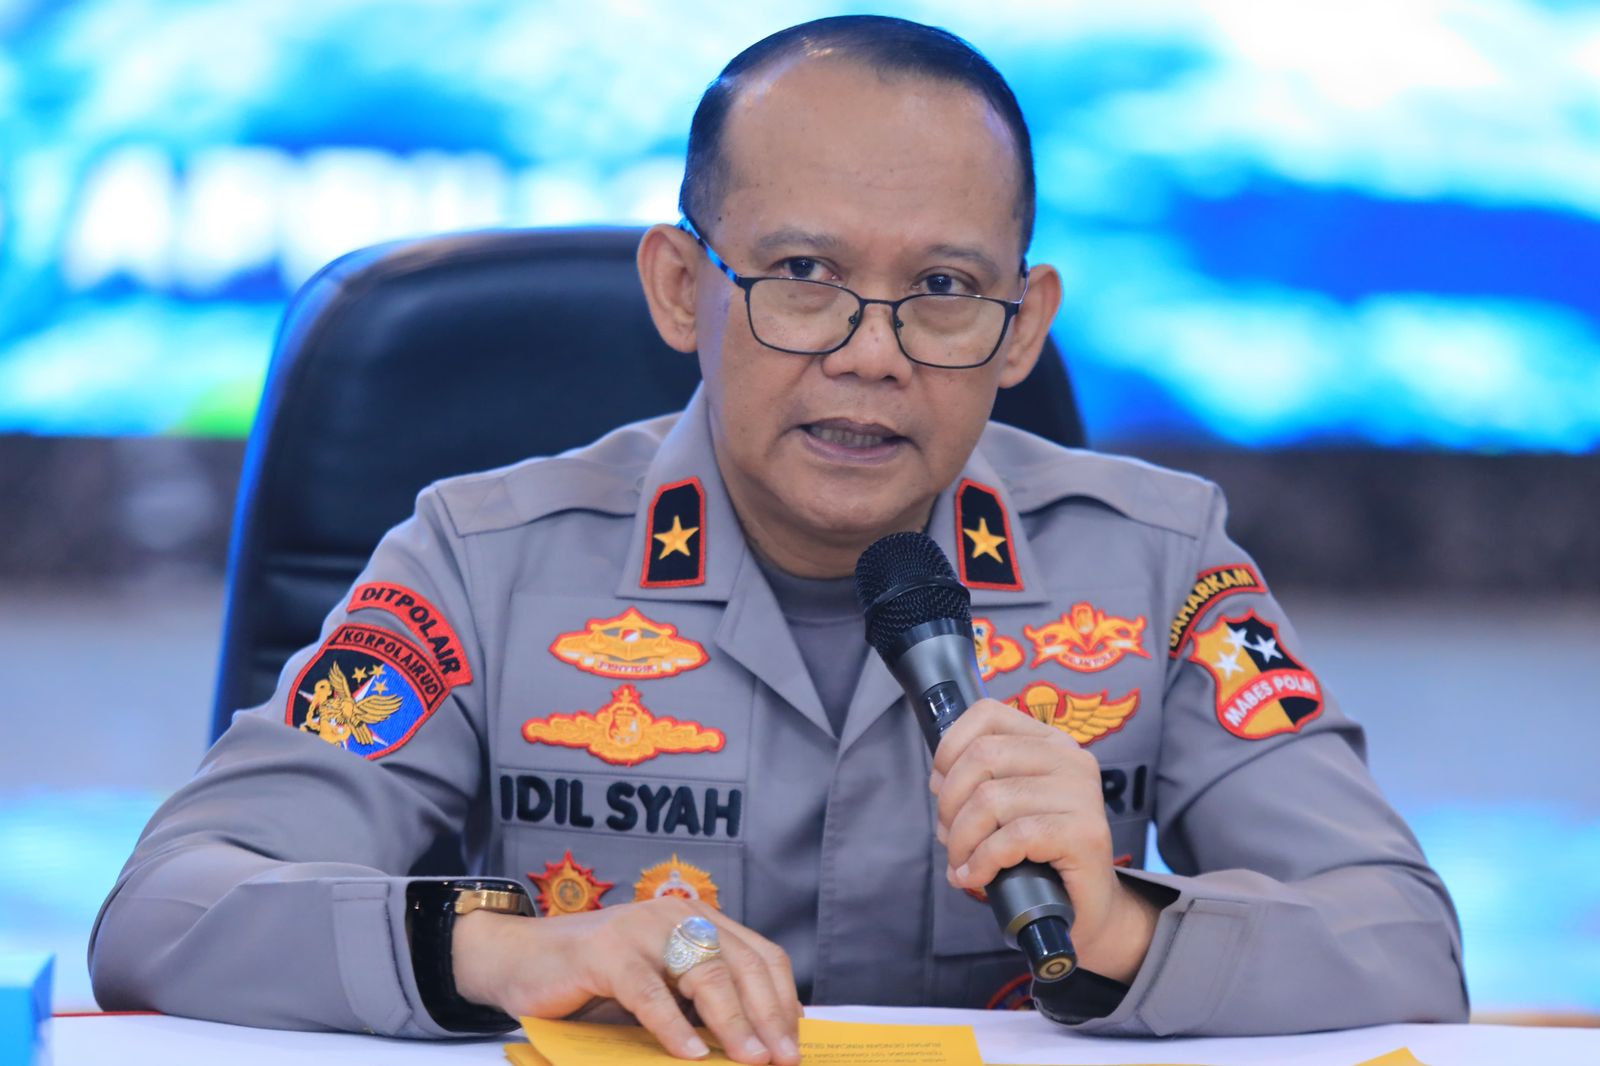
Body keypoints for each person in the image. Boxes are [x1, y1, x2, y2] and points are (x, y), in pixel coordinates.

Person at [89, 15, 1468, 1063]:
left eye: (943, 288)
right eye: (803, 276)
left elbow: (1404, 939)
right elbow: (166, 911)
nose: (872, 353)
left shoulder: (1156, 562)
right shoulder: (481, 560)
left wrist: (1119, 924)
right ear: (680, 288)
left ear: (1025, 327)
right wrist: (510, 950)